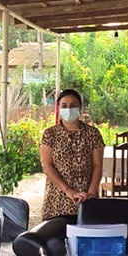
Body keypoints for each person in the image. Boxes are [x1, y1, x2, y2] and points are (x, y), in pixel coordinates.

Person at [39, 89, 104, 220]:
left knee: (85, 231)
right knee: (57, 232)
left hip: (86, 199)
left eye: (73, 105)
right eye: (64, 106)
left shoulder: (93, 134)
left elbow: (98, 166)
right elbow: (47, 166)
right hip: (58, 200)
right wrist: (68, 190)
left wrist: (91, 193)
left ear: (80, 107)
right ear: (59, 108)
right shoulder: (50, 134)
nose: (69, 109)